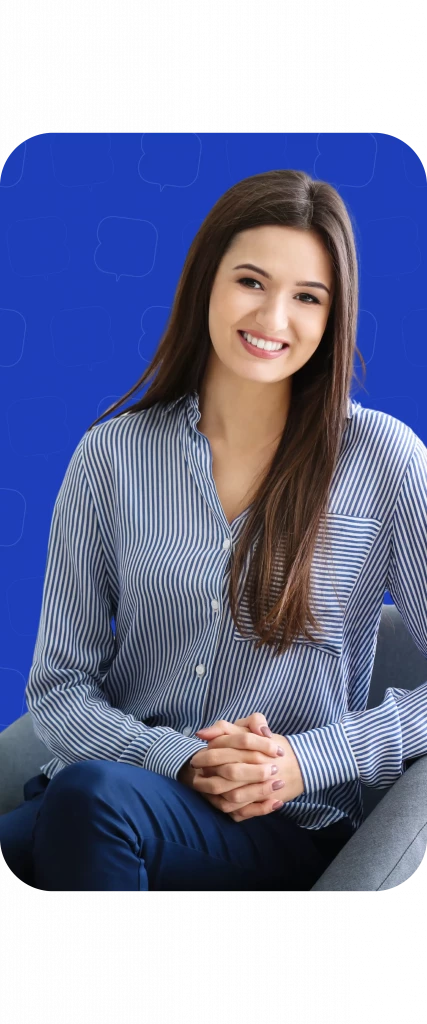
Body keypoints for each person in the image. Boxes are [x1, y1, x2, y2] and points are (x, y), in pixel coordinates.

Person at [1, 169, 426, 893]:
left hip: (283, 827)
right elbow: (61, 684)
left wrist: (303, 760)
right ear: (206, 282)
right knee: (81, 808)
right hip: (109, 793)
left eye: (307, 298)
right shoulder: (110, 456)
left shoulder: (384, 459)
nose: (273, 318)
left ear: (333, 317)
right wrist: (177, 759)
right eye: (251, 282)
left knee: (89, 809)